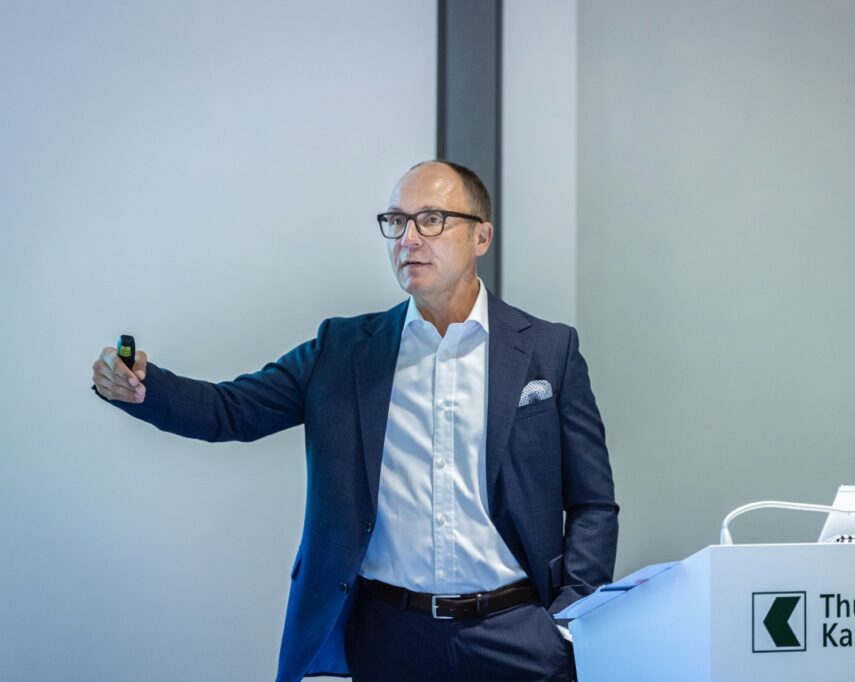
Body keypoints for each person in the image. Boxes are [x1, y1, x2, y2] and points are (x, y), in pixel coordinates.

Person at [91, 160, 618, 682]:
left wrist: (568, 620)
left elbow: (592, 500)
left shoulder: (549, 350)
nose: (408, 238)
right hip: (390, 639)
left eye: (431, 220)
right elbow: (230, 411)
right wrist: (143, 388)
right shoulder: (343, 350)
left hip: (517, 634)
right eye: (396, 222)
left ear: (481, 236)